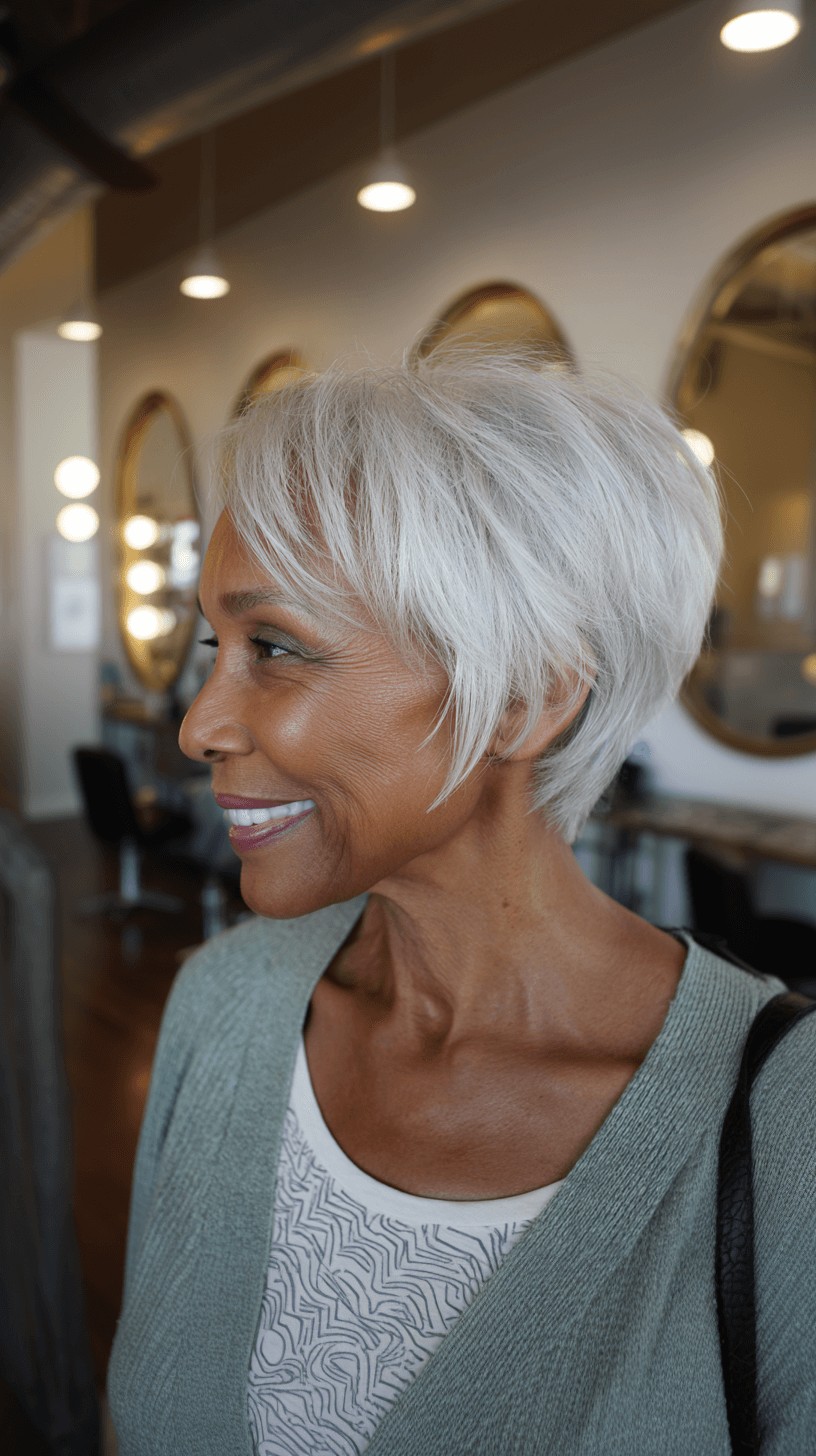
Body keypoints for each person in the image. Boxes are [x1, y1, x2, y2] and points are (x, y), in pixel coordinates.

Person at [107, 347, 815, 1454]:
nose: (200, 724)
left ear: (525, 696)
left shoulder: (784, 1128)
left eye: (276, 647)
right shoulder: (223, 1005)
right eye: (216, 643)